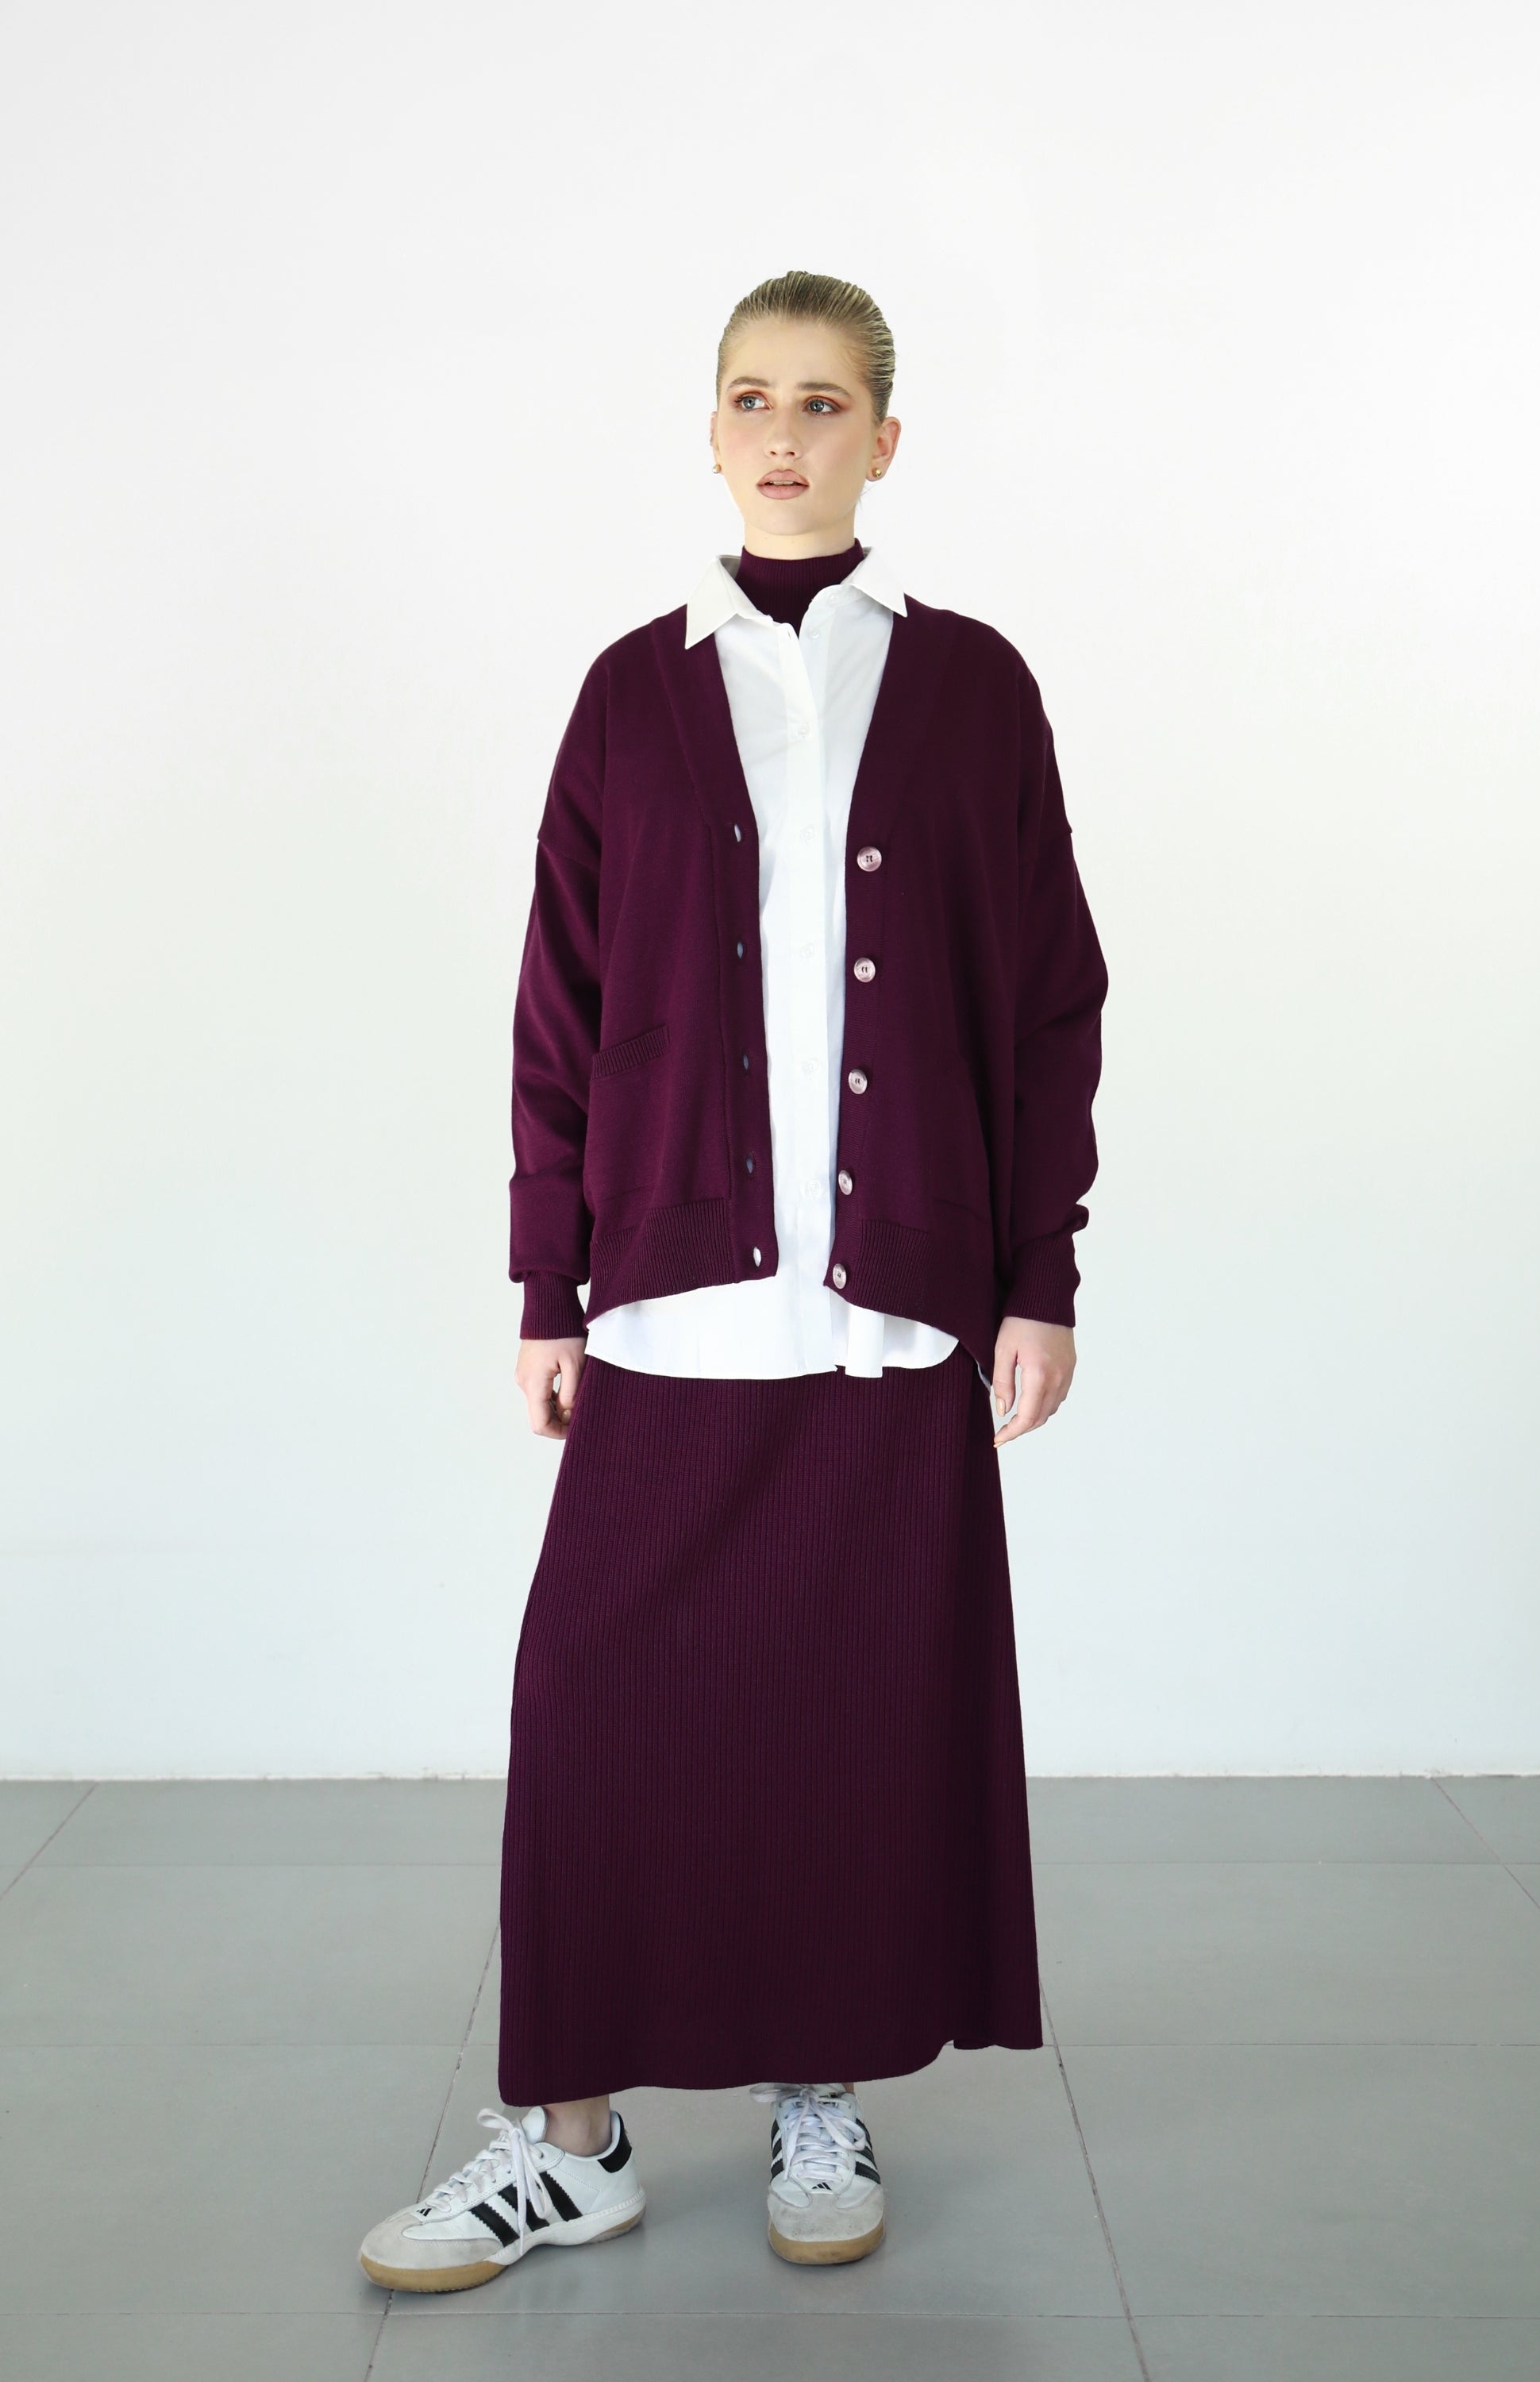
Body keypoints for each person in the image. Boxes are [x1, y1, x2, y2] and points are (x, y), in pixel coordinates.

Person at [359, 268, 1107, 2293]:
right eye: (753, 399)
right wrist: (546, 1281)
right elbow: (559, 1003)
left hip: (890, 1308)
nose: (787, 435)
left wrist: (1037, 1273)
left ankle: (817, 2095)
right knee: (594, 1706)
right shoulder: (631, 690)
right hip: (671, 1292)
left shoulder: (972, 688)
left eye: (826, 401)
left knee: (850, 1717)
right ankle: (571, 2141)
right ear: (710, 435)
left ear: (886, 438)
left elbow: (1048, 996)